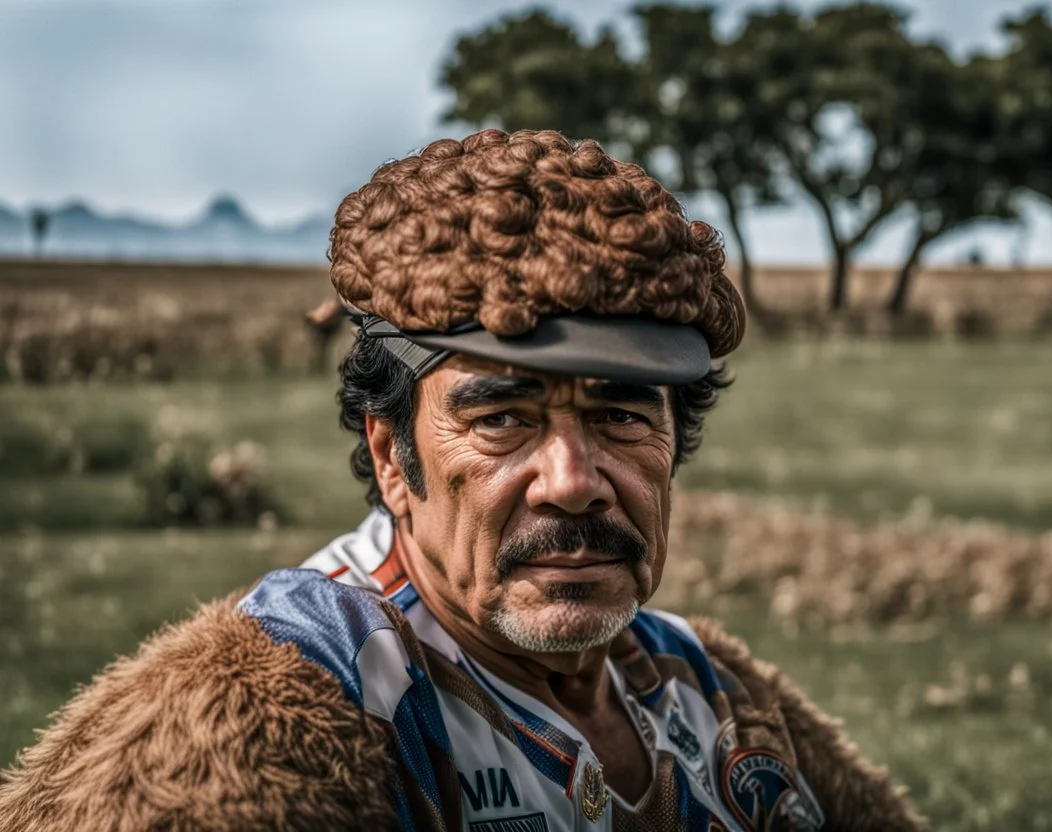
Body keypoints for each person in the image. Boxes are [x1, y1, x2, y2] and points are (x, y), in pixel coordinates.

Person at [0, 130, 925, 831]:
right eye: (502, 419)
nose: (573, 482)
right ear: (394, 455)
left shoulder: (701, 686)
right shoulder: (284, 720)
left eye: (621, 415)